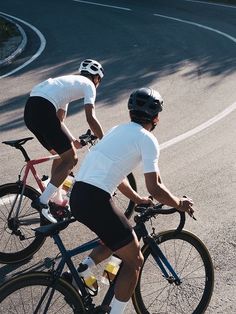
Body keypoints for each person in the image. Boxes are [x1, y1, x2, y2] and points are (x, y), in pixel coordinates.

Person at [69, 87, 195, 314]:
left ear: (130, 113)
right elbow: (154, 186)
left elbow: (118, 178)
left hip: (78, 195)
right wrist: (179, 203)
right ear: (156, 117)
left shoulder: (118, 130)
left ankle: (82, 271)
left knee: (118, 239)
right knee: (135, 259)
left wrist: (137, 199)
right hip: (97, 199)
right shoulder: (147, 139)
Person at [24, 59, 104, 223]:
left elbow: (59, 121)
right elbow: (91, 117)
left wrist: (73, 140)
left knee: (61, 155)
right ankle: (43, 201)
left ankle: (55, 198)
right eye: (99, 81)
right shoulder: (88, 85)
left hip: (30, 111)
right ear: (96, 78)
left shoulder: (67, 83)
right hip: (44, 110)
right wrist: (104, 139)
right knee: (71, 159)